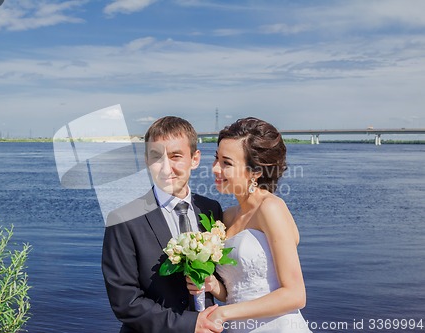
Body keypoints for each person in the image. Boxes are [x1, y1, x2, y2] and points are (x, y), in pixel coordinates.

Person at [186, 117, 312, 332]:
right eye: (216, 159)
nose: (215, 169)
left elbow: (295, 295)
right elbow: (238, 290)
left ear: (255, 172)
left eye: (227, 163)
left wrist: (223, 313)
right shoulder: (226, 217)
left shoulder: (270, 208)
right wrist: (215, 287)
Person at [102, 116, 224, 333]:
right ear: (146, 160)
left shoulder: (211, 209)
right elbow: (125, 302)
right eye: (157, 157)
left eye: (176, 156)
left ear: (195, 159)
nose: (166, 168)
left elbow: (223, 278)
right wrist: (189, 324)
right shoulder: (122, 220)